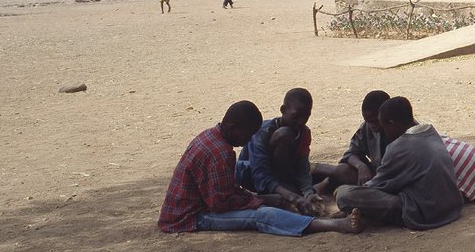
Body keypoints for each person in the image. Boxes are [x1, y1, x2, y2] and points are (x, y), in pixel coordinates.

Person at [159, 99, 359, 235]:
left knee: (270, 201)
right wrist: (258, 201)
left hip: (196, 207)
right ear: (233, 128)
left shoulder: (210, 136)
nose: (248, 140)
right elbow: (219, 204)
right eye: (246, 134)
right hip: (190, 217)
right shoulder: (222, 152)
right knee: (262, 215)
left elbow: (225, 192)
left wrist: (264, 198)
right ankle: (331, 225)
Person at [335, 96, 463, 229]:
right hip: (452, 206)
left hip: (423, 212)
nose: (382, 131)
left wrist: (351, 198)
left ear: (392, 123)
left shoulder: (399, 147)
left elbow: (377, 185)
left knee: (344, 195)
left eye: (384, 126)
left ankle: (370, 218)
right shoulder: (430, 132)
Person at [236, 88, 320, 212]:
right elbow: (260, 174)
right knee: (284, 134)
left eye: (306, 116)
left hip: (283, 174)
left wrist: (308, 193)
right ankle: (277, 193)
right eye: (296, 116)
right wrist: (292, 196)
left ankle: (303, 189)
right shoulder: (262, 132)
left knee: (342, 173)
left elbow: (302, 168)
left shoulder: (304, 132)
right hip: (252, 175)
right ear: (283, 110)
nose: (301, 121)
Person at [314, 90, 391, 196]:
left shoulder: (403, 129)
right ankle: (318, 175)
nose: (372, 126)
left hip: (392, 182)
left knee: (344, 196)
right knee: (343, 170)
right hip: (376, 176)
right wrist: (361, 167)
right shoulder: (367, 127)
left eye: (375, 121)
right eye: (368, 121)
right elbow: (350, 154)